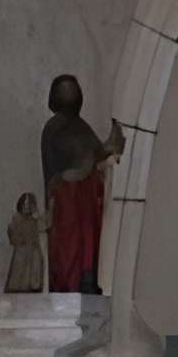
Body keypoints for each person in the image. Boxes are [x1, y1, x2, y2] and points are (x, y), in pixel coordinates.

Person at [39, 73, 122, 294]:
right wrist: (101, 152)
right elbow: (79, 154)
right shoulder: (55, 126)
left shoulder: (81, 125)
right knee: (69, 242)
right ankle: (68, 283)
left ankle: (86, 278)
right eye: (65, 90)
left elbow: (96, 152)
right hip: (66, 194)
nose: (71, 94)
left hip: (84, 194)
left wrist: (108, 149)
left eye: (73, 89)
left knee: (87, 238)